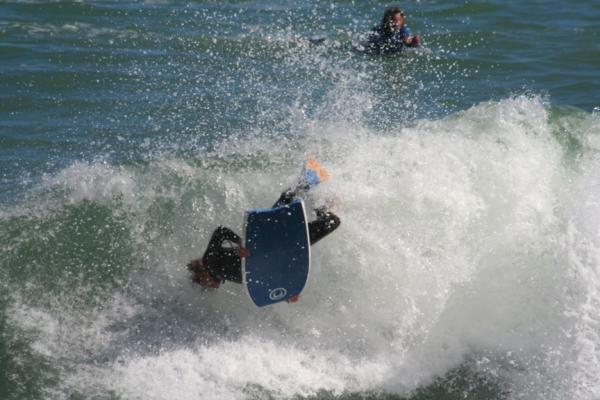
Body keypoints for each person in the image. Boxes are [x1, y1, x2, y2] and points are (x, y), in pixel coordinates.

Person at [187, 188, 340, 301]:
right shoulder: (228, 275)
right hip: (278, 249)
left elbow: (220, 232)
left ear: (201, 276)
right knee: (328, 220)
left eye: (204, 285)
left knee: (329, 220)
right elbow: (265, 278)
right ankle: (317, 199)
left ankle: (312, 192)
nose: (212, 287)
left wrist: (241, 243)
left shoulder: (209, 262)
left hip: (266, 241)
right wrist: (287, 294)